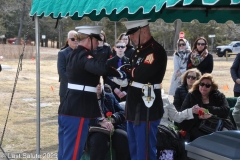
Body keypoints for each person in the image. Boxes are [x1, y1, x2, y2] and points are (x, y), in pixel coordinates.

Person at [58, 26, 126, 160]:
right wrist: (119, 73)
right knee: (72, 155)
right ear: (89, 39)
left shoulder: (73, 53)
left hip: (69, 109)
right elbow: (99, 67)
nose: (98, 44)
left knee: (64, 154)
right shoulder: (84, 55)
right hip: (78, 112)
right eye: (96, 40)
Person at [121, 19, 167, 160]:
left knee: (144, 150)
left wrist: (127, 70)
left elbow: (141, 74)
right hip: (134, 105)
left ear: (143, 30)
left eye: (133, 34)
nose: (131, 38)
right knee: (134, 147)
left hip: (146, 105)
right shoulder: (138, 51)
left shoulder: (155, 50)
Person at [179, 73, 230, 141]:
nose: (204, 87)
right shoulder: (191, 95)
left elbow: (226, 110)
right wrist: (198, 116)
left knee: (224, 137)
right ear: (198, 84)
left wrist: (208, 111)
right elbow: (183, 113)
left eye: (207, 85)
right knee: (202, 137)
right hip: (196, 126)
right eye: (202, 84)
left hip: (216, 125)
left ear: (212, 87)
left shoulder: (219, 96)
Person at [87, 83, 130, 160]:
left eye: (99, 83)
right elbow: (82, 117)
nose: (98, 86)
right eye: (95, 84)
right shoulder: (84, 99)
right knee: (100, 141)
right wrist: (100, 121)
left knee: (123, 138)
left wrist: (113, 119)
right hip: (94, 130)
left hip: (112, 128)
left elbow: (123, 112)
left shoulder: (109, 96)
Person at [57, 30, 78, 103]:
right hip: (66, 89)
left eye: (77, 38)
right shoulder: (62, 53)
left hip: (80, 90)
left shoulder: (83, 53)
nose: (75, 40)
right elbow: (61, 71)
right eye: (73, 39)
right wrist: (73, 82)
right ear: (68, 40)